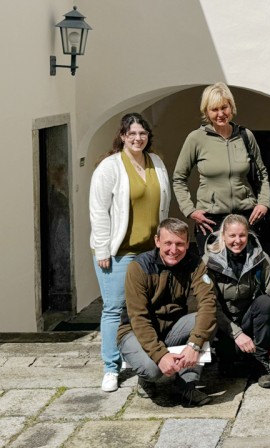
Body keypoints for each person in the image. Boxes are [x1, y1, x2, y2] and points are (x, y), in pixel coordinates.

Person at [90, 113, 170, 393]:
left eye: (142, 133)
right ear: (123, 136)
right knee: (114, 308)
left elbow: (163, 205)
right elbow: (98, 210)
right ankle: (111, 368)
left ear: (148, 136)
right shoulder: (110, 167)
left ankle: (138, 356)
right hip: (118, 252)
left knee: (145, 307)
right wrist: (103, 249)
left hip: (150, 251)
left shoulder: (156, 162)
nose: (138, 138)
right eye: (132, 134)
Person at [118, 218, 217, 407]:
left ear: (187, 243)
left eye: (180, 244)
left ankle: (186, 383)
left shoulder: (195, 264)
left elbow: (208, 302)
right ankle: (145, 379)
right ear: (157, 241)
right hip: (135, 332)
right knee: (153, 370)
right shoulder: (139, 267)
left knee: (206, 320)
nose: (174, 249)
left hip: (172, 328)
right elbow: (138, 318)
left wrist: (194, 345)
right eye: (168, 243)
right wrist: (160, 355)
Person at [173, 82, 270, 255]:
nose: (220, 114)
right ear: (206, 112)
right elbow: (179, 179)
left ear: (231, 107)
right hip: (211, 220)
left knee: (249, 267)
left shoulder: (245, 136)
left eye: (224, 107)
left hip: (246, 216)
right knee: (214, 269)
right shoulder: (196, 138)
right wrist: (190, 210)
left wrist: (263, 203)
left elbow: (262, 174)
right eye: (214, 109)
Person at [203, 214, 270, 389]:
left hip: (249, 320)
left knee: (265, 302)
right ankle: (228, 358)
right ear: (223, 236)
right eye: (232, 235)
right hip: (223, 326)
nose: (237, 241)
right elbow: (210, 306)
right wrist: (236, 334)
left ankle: (261, 362)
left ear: (248, 235)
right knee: (229, 364)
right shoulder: (208, 262)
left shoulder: (260, 258)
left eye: (242, 235)